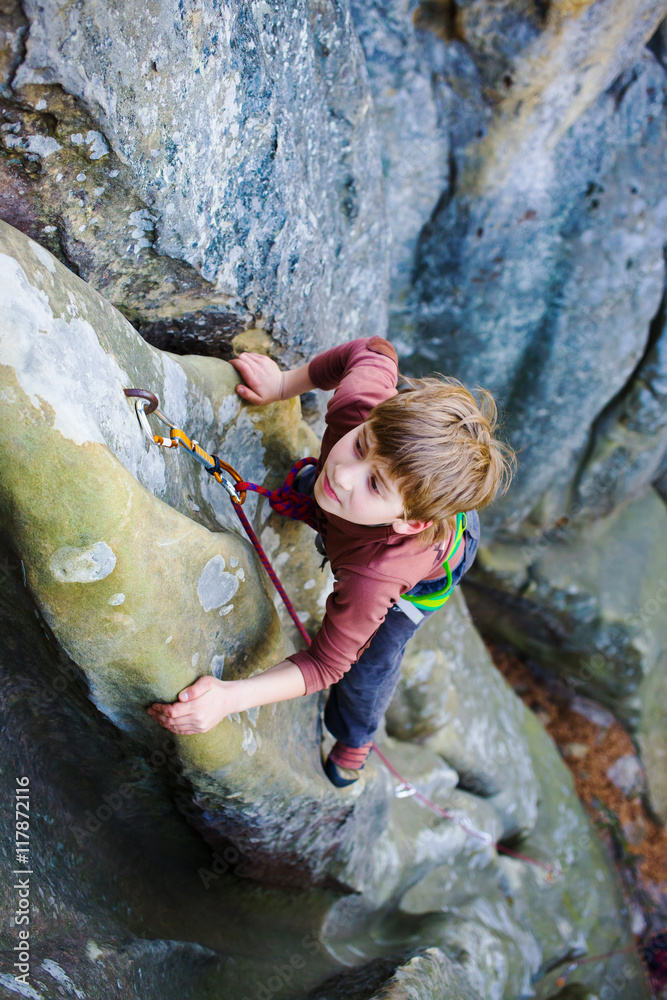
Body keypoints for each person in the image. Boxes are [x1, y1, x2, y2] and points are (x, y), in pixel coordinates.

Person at [148, 337, 514, 786]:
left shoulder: (374, 577)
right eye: (360, 447)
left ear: (409, 524)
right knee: (316, 485)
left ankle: (355, 739)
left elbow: (326, 666)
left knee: (370, 666)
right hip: (409, 507)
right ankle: (332, 508)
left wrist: (228, 698)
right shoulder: (362, 412)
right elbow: (372, 351)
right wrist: (284, 384)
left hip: (428, 572)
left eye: (374, 485)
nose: (342, 472)